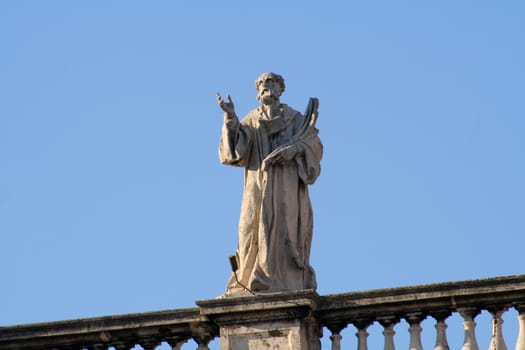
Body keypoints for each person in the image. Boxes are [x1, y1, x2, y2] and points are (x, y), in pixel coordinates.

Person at [217, 72, 323, 293]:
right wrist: (230, 120)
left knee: (285, 232)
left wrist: (294, 149)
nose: (266, 85)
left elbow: (313, 146)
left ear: (280, 89)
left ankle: (284, 283)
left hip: (286, 188)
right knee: (249, 230)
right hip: (256, 188)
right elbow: (234, 154)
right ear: (257, 90)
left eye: (271, 82)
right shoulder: (251, 121)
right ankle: (248, 280)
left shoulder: (295, 120)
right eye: (262, 83)